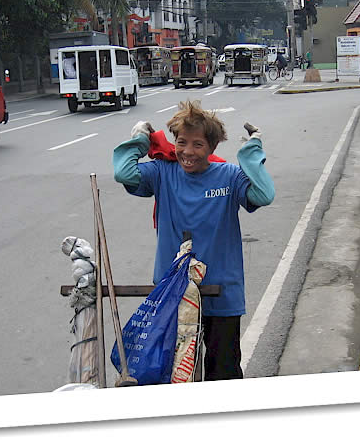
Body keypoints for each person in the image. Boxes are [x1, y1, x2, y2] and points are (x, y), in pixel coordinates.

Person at [113, 100, 275, 381]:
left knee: (222, 375)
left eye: (198, 144)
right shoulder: (163, 173)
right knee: (169, 374)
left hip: (221, 294)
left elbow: (262, 195)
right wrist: (140, 140)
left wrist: (251, 152)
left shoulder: (229, 175)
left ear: (212, 148)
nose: (188, 152)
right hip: (171, 296)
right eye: (181, 142)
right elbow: (124, 173)